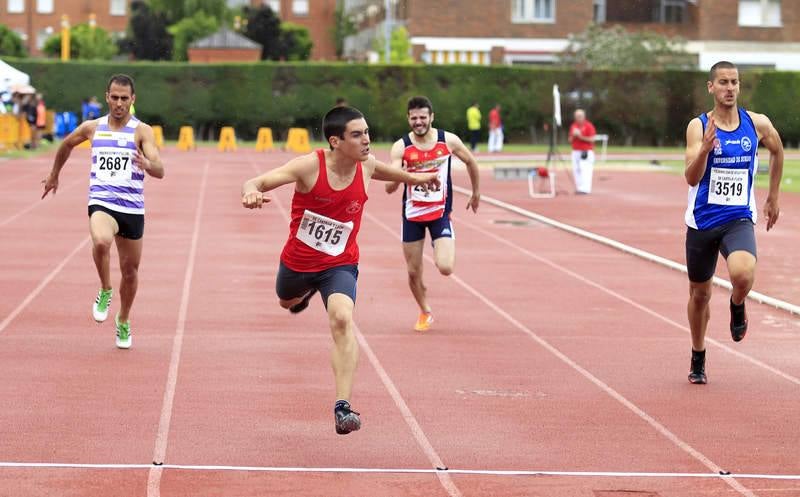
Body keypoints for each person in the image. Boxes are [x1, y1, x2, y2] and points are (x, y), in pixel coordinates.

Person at [241, 106, 440, 435]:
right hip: (298, 263)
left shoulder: (367, 165)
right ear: (336, 141)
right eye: (358, 134)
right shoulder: (309, 166)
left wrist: (418, 178)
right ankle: (302, 296)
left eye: (367, 132)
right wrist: (251, 192)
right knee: (286, 301)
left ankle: (342, 407)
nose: (367, 140)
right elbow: (258, 180)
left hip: (340, 263)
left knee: (342, 318)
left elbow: (389, 172)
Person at [41, 74, 165, 349]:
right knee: (100, 241)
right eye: (114, 97)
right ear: (107, 97)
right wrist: (54, 175)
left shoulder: (142, 131)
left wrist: (146, 163)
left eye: (124, 98)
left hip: (132, 208)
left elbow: (160, 170)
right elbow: (66, 144)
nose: (119, 103)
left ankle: (123, 320)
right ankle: (106, 289)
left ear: (133, 99)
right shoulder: (92, 127)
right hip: (102, 201)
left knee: (130, 272)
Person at [684, 60, 783, 385]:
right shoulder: (698, 126)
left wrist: (772, 196)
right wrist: (705, 151)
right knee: (700, 295)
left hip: (738, 218)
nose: (730, 88)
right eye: (723, 82)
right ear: (711, 87)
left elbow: (778, 150)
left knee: (742, 275)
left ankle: (737, 303)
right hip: (702, 222)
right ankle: (698, 356)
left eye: (734, 82)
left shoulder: (756, 124)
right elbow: (691, 177)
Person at [385, 96, 480, 332]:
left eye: (423, 117)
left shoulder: (447, 140)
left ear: (431, 117)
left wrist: (475, 193)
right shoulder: (401, 147)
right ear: (408, 118)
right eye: (414, 118)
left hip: (439, 213)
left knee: (446, 267)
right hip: (412, 215)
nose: (418, 122)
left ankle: (442, 245)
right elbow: (389, 187)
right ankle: (425, 310)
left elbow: (471, 162)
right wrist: (401, 174)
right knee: (413, 271)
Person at [569, 108, 596, 194]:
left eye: (580, 116)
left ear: (584, 116)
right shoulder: (573, 126)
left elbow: (592, 139)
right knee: (576, 170)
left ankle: (585, 188)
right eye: (576, 116)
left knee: (585, 170)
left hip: (586, 152)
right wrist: (574, 135)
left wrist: (580, 136)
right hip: (575, 151)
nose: (578, 118)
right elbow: (569, 140)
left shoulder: (589, 126)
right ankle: (579, 187)